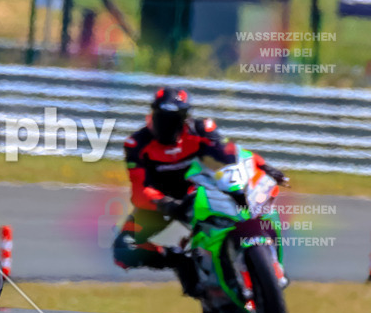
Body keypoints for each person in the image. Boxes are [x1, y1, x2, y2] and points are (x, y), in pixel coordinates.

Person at [112, 87, 287, 285]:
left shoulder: (203, 129)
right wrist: (166, 204)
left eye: (175, 118)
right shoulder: (136, 144)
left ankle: (268, 260)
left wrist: (263, 165)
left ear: (185, 117)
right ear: (153, 114)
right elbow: (139, 190)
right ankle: (180, 260)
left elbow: (232, 153)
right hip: (161, 201)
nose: (168, 125)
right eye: (162, 117)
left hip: (203, 191)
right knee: (123, 249)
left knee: (256, 203)